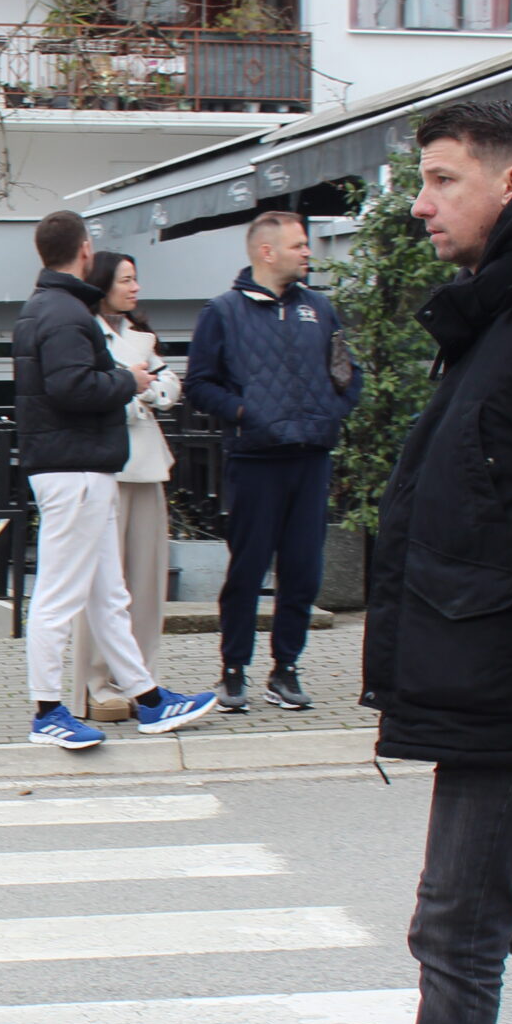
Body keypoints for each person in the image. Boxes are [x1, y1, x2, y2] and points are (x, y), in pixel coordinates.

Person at [261, 99, 512, 1024]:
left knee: (455, 929)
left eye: (441, 179)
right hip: (503, 670)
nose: (418, 203)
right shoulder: (510, 308)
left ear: (510, 183)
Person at [13, 210, 217, 752]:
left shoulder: (46, 308)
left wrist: (120, 378)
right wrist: (129, 379)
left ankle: (147, 698)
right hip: (76, 469)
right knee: (60, 596)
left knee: (108, 595)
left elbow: (65, 384)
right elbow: (72, 387)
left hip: (76, 467)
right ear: (84, 249)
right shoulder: (65, 313)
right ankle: (47, 711)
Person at [184, 210, 362, 713]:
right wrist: (246, 413)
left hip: (311, 457)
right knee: (248, 570)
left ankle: (286, 670)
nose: (308, 252)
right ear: (267, 251)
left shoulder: (319, 309)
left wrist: (333, 412)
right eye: (299, 244)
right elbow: (199, 384)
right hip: (256, 460)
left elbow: (347, 371)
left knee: (303, 571)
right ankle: (233, 671)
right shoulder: (222, 312)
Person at [72, 251, 179, 720]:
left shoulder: (141, 335)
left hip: (148, 466)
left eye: (136, 279)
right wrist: (134, 386)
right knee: (101, 584)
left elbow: (168, 385)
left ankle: (143, 680)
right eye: (125, 280)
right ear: (102, 283)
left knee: (147, 582)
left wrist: (147, 387)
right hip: (105, 467)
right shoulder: (83, 330)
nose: (134, 288)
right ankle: (96, 684)